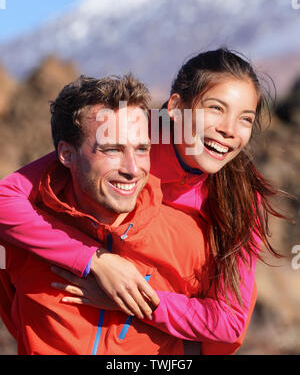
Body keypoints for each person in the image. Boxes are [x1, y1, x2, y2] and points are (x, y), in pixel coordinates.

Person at [0, 48, 285, 355]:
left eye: (245, 118)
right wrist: (95, 260)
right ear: (175, 108)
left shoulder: (241, 199)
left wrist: (133, 299)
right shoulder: (131, 133)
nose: (229, 130)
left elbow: (229, 323)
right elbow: (6, 198)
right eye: (215, 109)